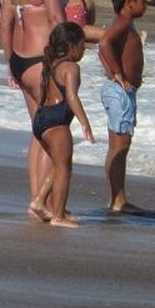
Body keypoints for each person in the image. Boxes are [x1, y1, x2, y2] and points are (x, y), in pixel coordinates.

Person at [0, 0, 65, 219]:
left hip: (21, 58)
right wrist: (71, 54)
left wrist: (8, 61)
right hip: (43, 58)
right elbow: (56, 19)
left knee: (38, 131)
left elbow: (6, 23)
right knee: (54, 130)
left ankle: (37, 200)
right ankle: (48, 204)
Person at [28, 22, 94, 228]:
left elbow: (42, 95)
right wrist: (85, 122)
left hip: (41, 119)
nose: (84, 50)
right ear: (71, 46)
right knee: (65, 169)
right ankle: (58, 215)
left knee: (58, 165)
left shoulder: (51, 65)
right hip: (57, 122)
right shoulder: (71, 68)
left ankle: (39, 201)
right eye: (82, 46)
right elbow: (72, 97)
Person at [98, 0, 148, 213]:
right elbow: (104, 43)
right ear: (129, 2)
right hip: (120, 92)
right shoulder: (124, 23)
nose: (146, 4)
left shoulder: (126, 23)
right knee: (120, 146)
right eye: (143, 0)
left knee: (118, 146)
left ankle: (117, 198)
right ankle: (117, 199)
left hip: (121, 91)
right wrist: (118, 73)